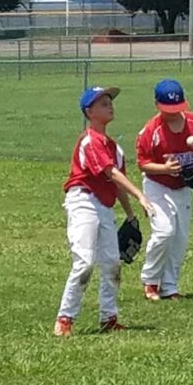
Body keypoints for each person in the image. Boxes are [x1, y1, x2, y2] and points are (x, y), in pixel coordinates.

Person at [54, 86, 153, 337]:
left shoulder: (114, 148)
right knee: (85, 262)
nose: (110, 105)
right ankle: (65, 318)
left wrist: (130, 215)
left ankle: (109, 318)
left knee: (111, 263)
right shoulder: (90, 141)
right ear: (89, 112)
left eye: (110, 101)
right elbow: (111, 173)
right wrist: (140, 194)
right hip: (83, 201)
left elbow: (116, 183)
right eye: (102, 103)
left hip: (104, 205)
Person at [137, 79, 193, 301]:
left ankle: (169, 287)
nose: (173, 113)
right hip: (157, 185)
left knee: (179, 237)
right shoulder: (151, 131)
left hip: (182, 188)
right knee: (164, 231)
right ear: (156, 105)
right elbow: (142, 163)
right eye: (168, 110)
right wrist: (165, 168)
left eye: (177, 108)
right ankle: (150, 280)